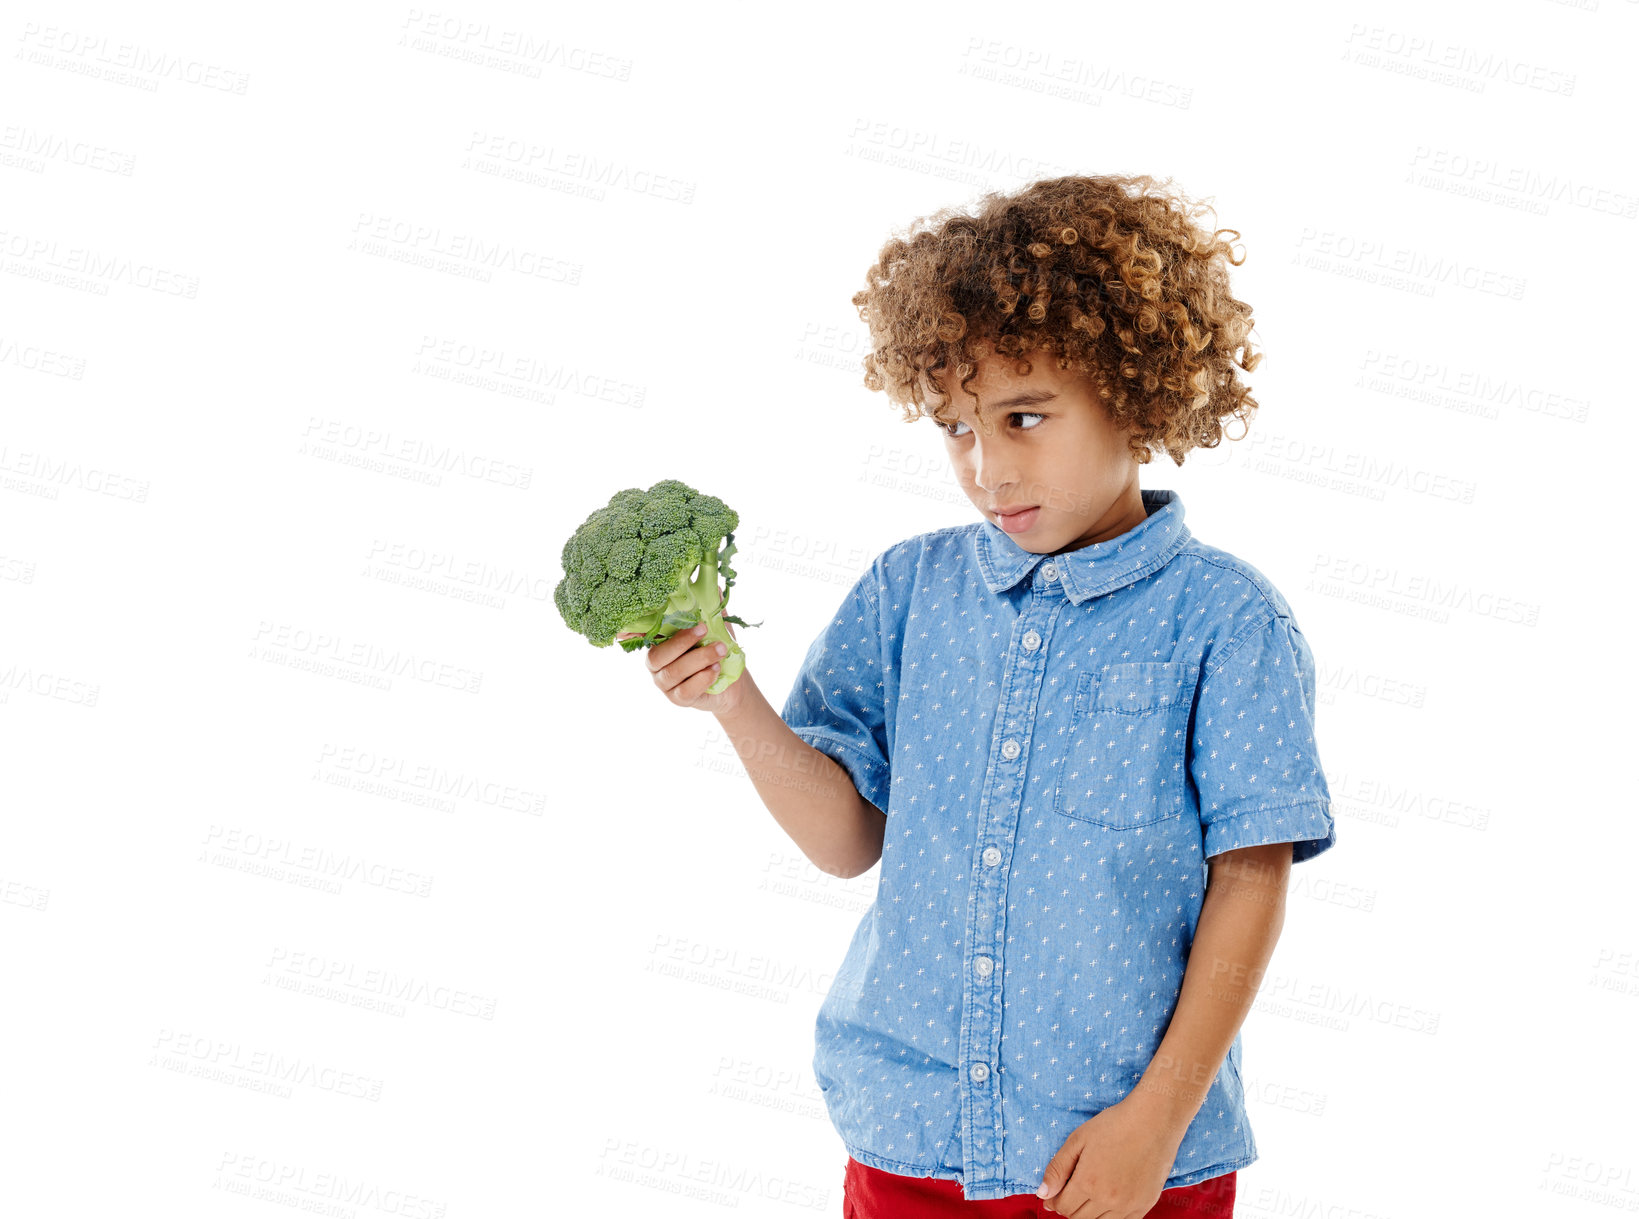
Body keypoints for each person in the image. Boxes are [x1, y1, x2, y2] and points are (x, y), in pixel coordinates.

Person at [628, 174, 1337, 1217]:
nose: (986, 466)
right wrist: (734, 696)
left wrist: (1156, 1120)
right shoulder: (904, 592)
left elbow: (1251, 883)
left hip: (1124, 1155)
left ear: (1132, 395)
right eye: (957, 426)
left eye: (1023, 416)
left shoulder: (1227, 622)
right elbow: (843, 842)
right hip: (909, 1136)